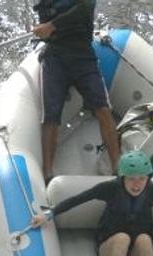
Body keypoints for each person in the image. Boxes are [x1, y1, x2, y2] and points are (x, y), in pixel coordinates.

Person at [32, 0, 120, 184]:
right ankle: (47, 174)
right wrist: (42, 29)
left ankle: (117, 167)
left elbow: (86, 7)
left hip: (82, 55)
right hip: (55, 55)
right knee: (51, 115)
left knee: (103, 109)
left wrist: (52, 25)